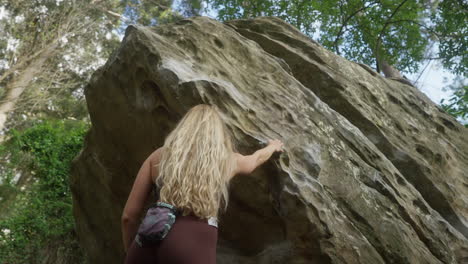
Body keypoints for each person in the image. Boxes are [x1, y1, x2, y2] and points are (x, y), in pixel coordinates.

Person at [122, 104, 284, 264]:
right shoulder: (225, 161)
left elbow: (129, 216)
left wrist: (133, 251)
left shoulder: (158, 156)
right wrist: (272, 147)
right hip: (192, 243)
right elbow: (255, 159)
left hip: (149, 237)